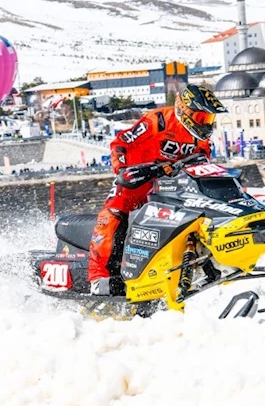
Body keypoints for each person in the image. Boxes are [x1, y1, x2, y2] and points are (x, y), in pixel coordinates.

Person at [88, 84, 227, 295]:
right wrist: (123, 170)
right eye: (201, 118)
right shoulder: (158, 120)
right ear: (185, 109)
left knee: (195, 219)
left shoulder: (201, 139)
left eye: (208, 119)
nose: (205, 124)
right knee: (113, 216)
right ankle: (98, 279)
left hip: (170, 188)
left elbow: (202, 165)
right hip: (136, 181)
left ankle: (202, 266)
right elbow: (120, 142)